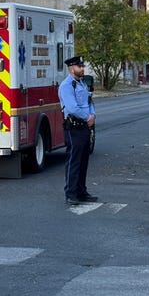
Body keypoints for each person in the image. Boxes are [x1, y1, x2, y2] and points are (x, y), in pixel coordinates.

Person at [58, 56, 97, 205]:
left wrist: (92, 114)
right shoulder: (67, 86)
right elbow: (71, 107)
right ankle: (71, 193)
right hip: (73, 127)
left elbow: (89, 101)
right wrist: (87, 117)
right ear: (71, 68)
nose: (82, 69)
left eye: (82, 66)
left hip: (84, 127)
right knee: (74, 161)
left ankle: (81, 191)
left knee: (83, 161)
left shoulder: (81, 84)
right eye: (79, 67)